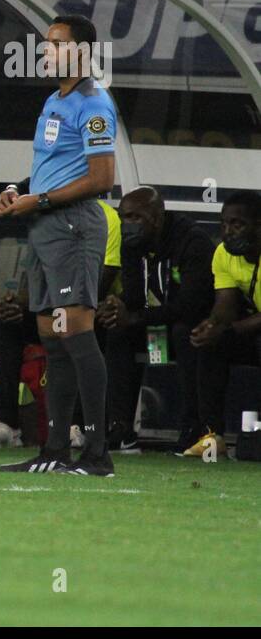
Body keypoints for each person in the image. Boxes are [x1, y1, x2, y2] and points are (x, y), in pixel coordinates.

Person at [0, 14, 118, 477]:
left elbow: (102, 179)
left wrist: (39, 200)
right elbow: (52, 168)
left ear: (83, 51)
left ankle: (98, 454)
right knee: (52, 336)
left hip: (72, 228)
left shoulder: (93, 103)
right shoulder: (54, 100)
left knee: (78, 334)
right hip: (45, 228)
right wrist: (16, 190)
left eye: (57, 44)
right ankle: (53, 451)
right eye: (46, 44)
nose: (47, 51)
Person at [0, 198, 122, 447]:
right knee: (7, 321)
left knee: (83, 325)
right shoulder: (43, 217)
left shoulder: (104, 217)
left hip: (84, 304)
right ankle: (8, 425)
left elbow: (99, 282)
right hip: (51, 306)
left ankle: (78, 427)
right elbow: (35, 276)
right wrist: (16, 303)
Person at [96, 186, 215, 452]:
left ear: (158, 218)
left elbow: (190, 306)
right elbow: (135, 295)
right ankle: (120, 428)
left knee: (185, 332)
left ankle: (192, 427)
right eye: (124, 217)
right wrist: (117, 306)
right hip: (155, 329)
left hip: (188, 326)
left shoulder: (192, 242)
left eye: (136, 218)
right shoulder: (131, 245)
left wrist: (135, 317)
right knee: (116, 329)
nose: (128, 225)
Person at [186, 190, 261, 457]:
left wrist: (227, 330)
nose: (228, 231)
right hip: (252, 329)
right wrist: (211, 325)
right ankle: (211, 435)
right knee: (210, 345)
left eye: (237, 224)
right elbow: (225, 305)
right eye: (224, 224)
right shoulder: (222, 253)